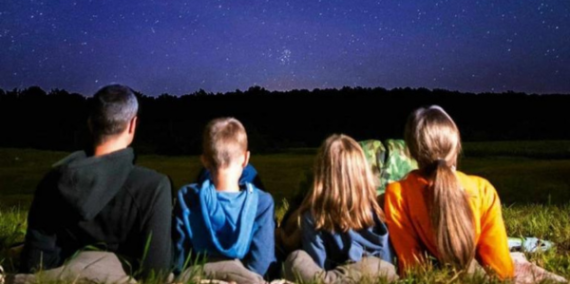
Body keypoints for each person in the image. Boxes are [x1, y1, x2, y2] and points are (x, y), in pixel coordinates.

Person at [19, 84, 172, 281]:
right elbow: (156, 273)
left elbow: (34, 262)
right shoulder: (154, 187)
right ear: (133, 125)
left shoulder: (53, 180)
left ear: (91, 124)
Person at [384, 105, 514, 279]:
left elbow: (411, 268)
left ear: (413, 152)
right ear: (455, 148)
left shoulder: (397, 193)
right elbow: (502, 271)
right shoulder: (484, 190)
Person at [173, 117, 275, 284]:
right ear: (246, 159)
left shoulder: (187, 196)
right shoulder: (262, 203)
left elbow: (180, 256)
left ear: (204, 160)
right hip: (244, 278)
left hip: (197, 275)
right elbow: (261, 263)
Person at [284, 134, 397, 284]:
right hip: (371, 273)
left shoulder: (313, 216)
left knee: (296, 260)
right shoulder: (374, 207)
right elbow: (387, 256)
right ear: (362, 173)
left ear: (322, 175)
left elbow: (317, 267)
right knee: (382, 268)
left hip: (341, 275)